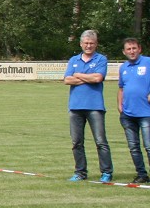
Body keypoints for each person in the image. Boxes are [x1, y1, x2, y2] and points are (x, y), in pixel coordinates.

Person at [64, 29, 113, 183]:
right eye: (86, 43)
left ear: (96, 44)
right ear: (81, 44)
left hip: (95, 107)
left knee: (100, 141)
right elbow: (67, 80)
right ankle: (80, 172)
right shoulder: (74, 60)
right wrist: (87, 78)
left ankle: (106, 172)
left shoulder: (101, 59)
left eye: (91, 43)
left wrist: (78, 75)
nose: (89, 46)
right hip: (75, 107)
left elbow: (98, 78)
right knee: (77, 142)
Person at [117, 36, 150, 184]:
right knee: (134, 147)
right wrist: (120, 105)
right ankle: (142, 174)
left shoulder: (148, 62)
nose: (132, 51)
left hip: (146, 113)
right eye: (128, 49)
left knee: (149, 146)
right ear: (124, 52)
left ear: (139, 49)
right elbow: (121, 88)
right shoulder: (123, 67)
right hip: (128, 115)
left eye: (134, 48)